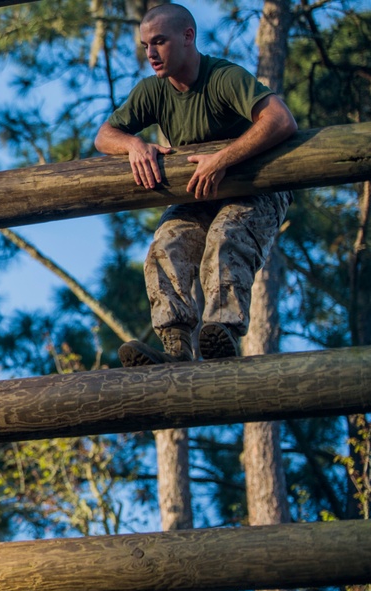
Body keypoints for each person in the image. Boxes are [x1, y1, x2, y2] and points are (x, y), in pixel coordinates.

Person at [94, 3, 296, 366]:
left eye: (159, 42)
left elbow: (280, 119)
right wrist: (134, 145)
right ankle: (175, 347)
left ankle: (222, 332)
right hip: (199, 194)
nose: (151, 53)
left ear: (188, 36)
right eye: (145, 46)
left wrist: (223, 159)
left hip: (256, 189)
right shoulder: (152, 91)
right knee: (166, 244)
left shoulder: (223, 77)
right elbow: (104, 136)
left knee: (226, 235)